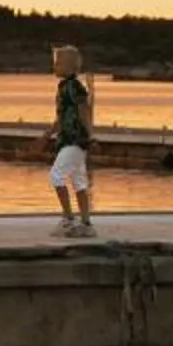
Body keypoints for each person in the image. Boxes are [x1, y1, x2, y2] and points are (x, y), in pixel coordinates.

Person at [48, 44, 95, 237]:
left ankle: (68, 218)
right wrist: (47, 135)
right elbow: (61, 118)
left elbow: (84, 112)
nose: (54, 67)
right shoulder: (63, 87)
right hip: (67, 139)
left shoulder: (74, 87)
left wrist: (90, 135)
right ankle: (86, 223)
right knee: (78, 180)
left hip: (75, 139)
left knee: (56, 175)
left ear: (69, 66)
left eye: (58, 63)